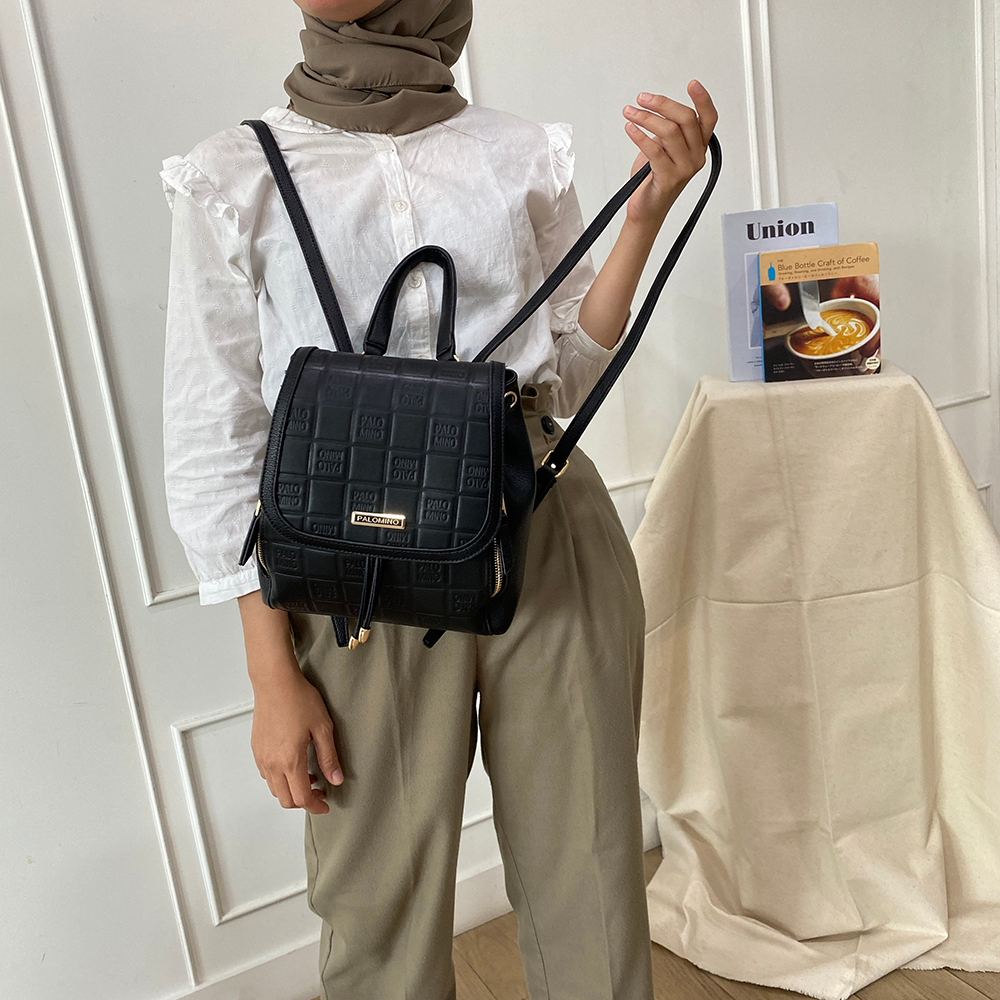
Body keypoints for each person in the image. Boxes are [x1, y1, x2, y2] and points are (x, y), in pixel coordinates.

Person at [159, 1, 717, 996]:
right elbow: (217, 439)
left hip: (546, 524)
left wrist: (644, 218)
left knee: (589, 870)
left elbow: (567, 374)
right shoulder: (232, 176)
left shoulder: (517, 153)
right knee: (376, 907)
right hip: (353, 568)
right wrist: (271, 674)